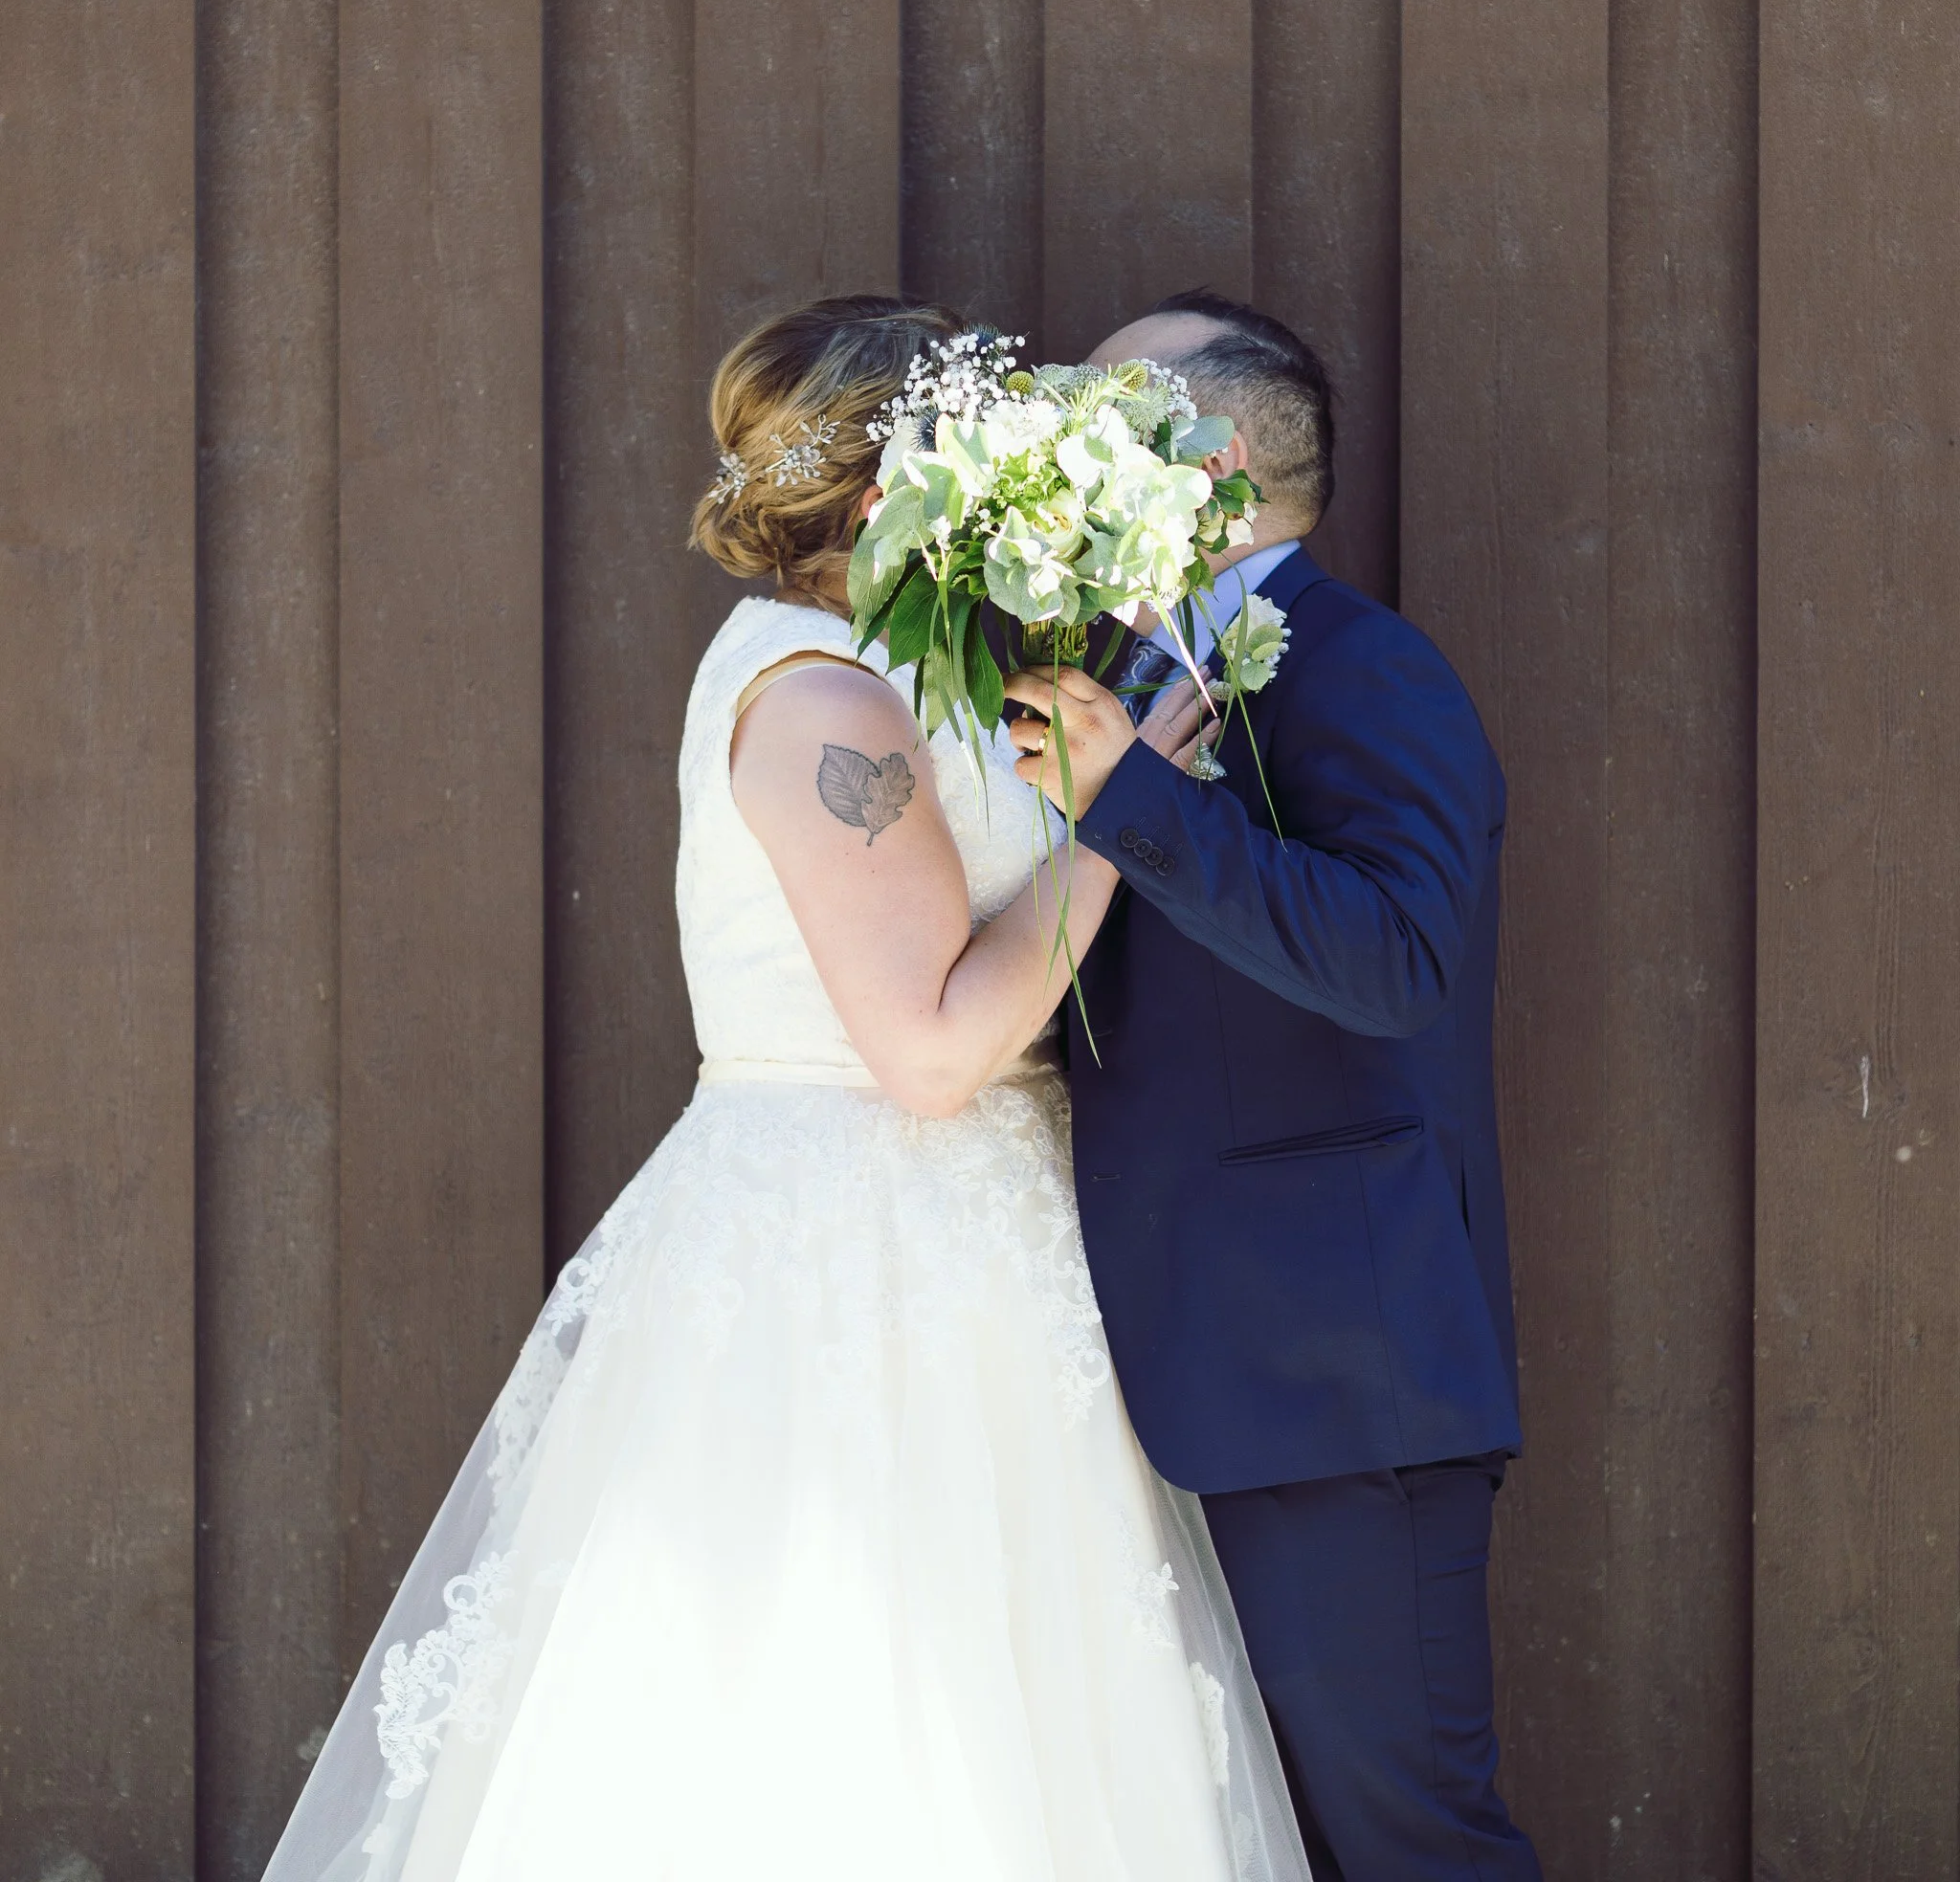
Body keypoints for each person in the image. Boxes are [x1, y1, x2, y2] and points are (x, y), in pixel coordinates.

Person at [258, 296, 1311, 1882]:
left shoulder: (891, 666)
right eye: (983, 446)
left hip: (975, 1252)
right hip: (858, 1251)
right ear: (900, 485)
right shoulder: (825, 701)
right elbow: (931, 1051)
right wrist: (1122, 818)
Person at [1007, 291, 1542, 1881]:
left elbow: (1397, 958)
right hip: (1150, 1371)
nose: (1053, 445)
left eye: (1095, 418)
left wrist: (1133, 800)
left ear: (1215, 467)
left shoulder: (1366, 669)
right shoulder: (1105, 673)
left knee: (1406, 1843)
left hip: (1331, 1381)